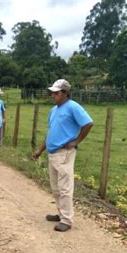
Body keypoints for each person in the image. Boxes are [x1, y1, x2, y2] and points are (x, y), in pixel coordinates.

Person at [32, 79, 93, 232]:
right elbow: (51, 132)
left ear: (65, 94)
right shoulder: (53, 110)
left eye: (56, 93)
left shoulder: (73, 107)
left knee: (65, 187)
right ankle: (61, 213)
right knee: (56, 187)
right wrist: (40, 150)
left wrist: (76, 141)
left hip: (64, 153)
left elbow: (88, 123)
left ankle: (66, 220)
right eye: (52, 92)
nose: (53, 95)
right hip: (52, 153)